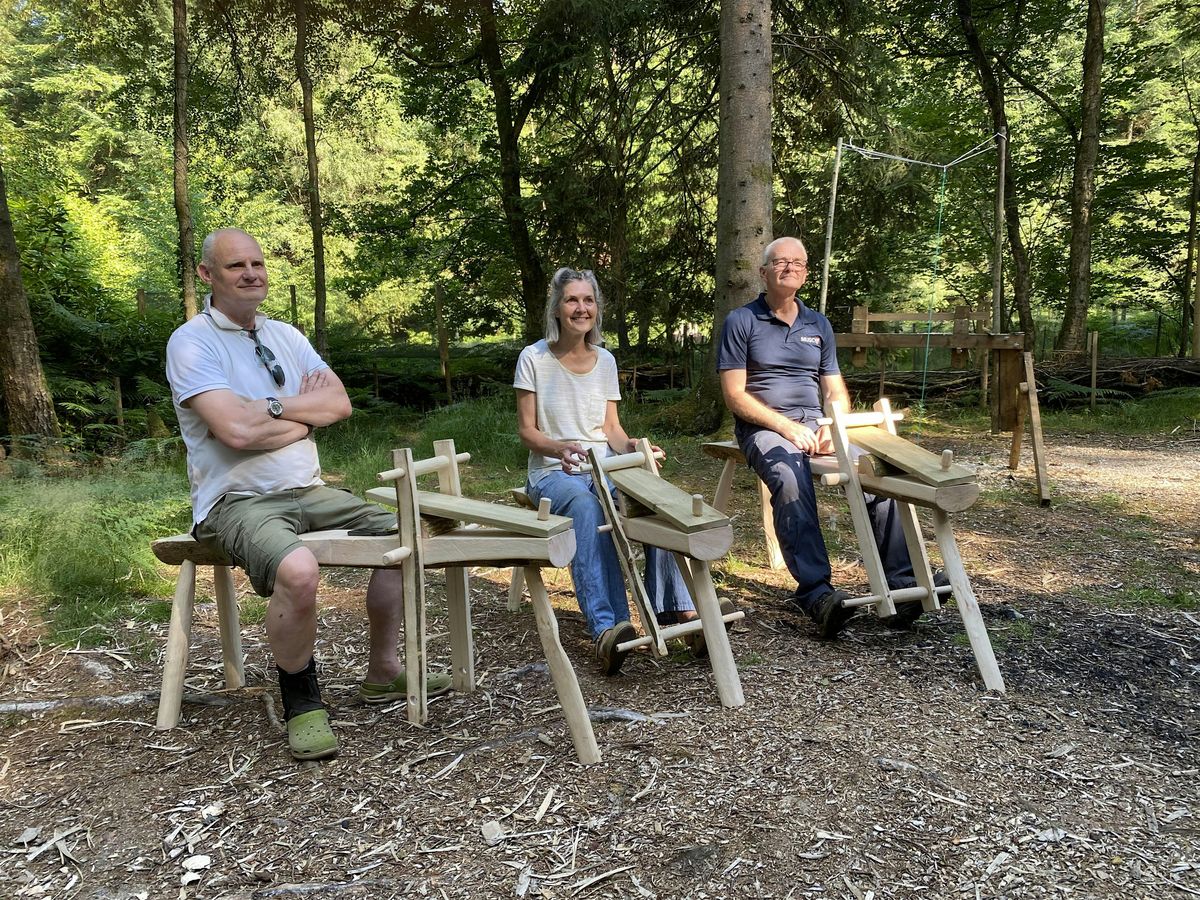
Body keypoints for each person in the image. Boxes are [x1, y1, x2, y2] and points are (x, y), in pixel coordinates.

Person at [166, 227, 451, 762]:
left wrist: (270, 408)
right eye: (235, 266)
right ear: (207, 275)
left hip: (310, 490)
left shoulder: (287, 336)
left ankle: (384, 671)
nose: (251, 273)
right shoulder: (192, 342)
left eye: (257, 263)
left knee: (404, 535)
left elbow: (338, 405)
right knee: (298, 571)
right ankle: (302, 702)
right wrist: (300, 416)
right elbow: (235, 435)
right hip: (235, 502)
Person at [717, 236, 944, 638]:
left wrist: (833, 425)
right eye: (781, 261)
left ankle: (904, 585)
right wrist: (786, 427)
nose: (790, 267)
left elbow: (834, 388)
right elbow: (735, 394)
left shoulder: (817, 324)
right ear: (763, 271)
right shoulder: (742, 321)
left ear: (806, 272)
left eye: (798, 262)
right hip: (766, 429)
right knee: (790, 478)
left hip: (819, 425)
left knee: (878, 469)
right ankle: (817, 594)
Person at [514, 267, 697, 675]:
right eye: (572, 300)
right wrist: (558, 447)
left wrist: (634, 446)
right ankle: (609, 627)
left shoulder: (606, 360)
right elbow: (528, 432)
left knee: (649, 497)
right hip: (552, 470)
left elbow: (611, 429)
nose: (581, 308)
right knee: (586, 508)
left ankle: (679, 611)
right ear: (557, 309)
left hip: (603, 463)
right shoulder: (534, 358)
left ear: (597, 308)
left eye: (588, 300)